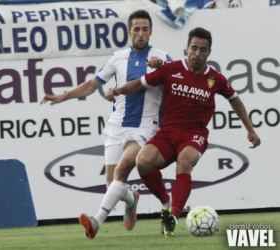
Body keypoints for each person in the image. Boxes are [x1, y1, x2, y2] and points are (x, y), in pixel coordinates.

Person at [106, 27, 261, 237]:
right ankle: (166, 201)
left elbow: (236, 101)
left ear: (209, 53)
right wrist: (117, 90)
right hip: (168, 132)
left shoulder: (216, 79)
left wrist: (250, 130)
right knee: (142, 161)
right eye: (194, 48)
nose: (197, 53)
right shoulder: (171, 69)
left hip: (194, 135)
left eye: (202, 50)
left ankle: (173, 216)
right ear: (186, 48)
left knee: (185, 160)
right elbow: (140, 84)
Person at [40, 10, 173, 239]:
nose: (141, 34)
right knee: (112, 183)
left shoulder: (162, 58)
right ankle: (131, 198)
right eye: (136, 29)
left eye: (145, 29)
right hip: (115, 127)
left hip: (145, 128)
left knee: (122, 169)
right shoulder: (117, 57)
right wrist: (64, 96)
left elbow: (175, 84)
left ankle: (96, 222)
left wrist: (161, 68)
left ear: (151, 31)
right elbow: (93, 84)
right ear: (129, 32)